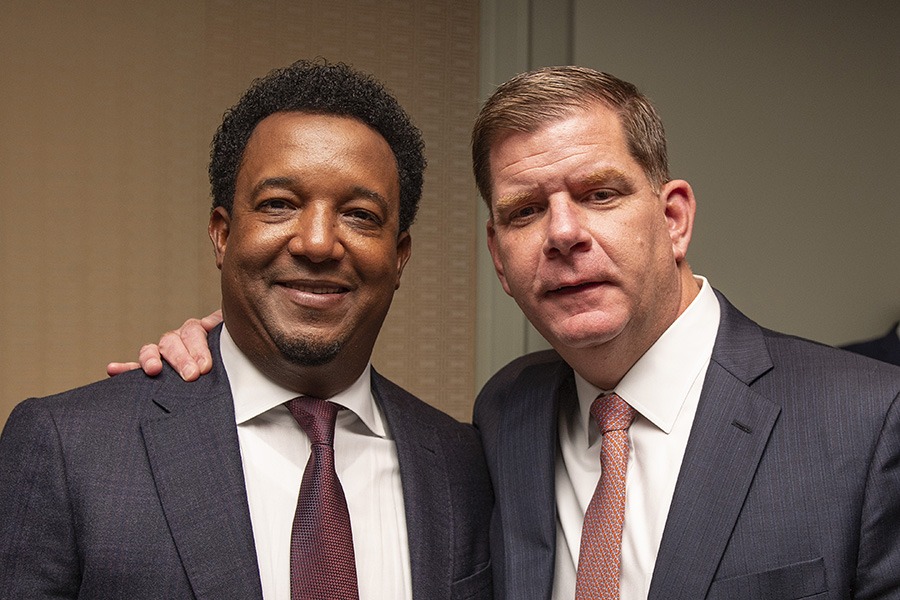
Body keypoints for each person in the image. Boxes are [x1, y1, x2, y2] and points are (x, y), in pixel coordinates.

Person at [114, 66, 900, 599]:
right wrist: (225, 351)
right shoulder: (505, 420)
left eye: (598, 194)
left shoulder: (867, 421)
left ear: (673, 218)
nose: (563, 234)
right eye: (525, 210)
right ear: (497, 254)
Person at [0, 60, 492, 600]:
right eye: (278, 205)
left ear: (399, 258)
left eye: (359, 215)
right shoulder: (72, 449)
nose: (318, 242)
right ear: (222, 234)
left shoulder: (463, 465)